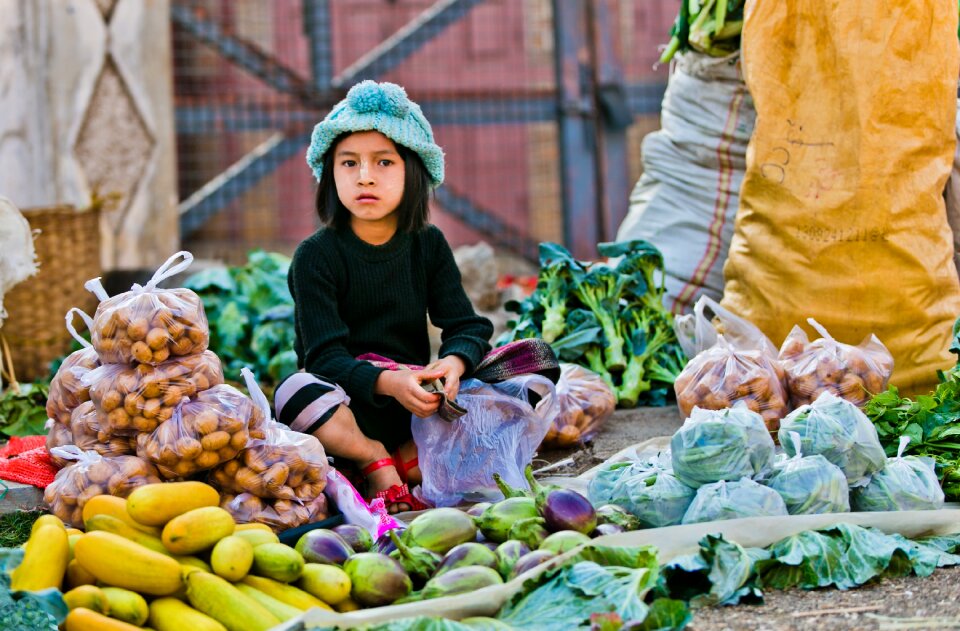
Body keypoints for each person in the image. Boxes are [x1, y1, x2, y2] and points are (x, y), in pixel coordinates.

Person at [275, 80, 494, 513]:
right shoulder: (315, 256)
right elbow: (323, 358)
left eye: (384, 162)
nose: (365, 176)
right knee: (293, 390)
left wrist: (452, 363)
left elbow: (468, 326)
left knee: (524, 370)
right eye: (349, 163)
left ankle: (411, 456)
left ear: (413, 171)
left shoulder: (427, 244)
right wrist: (386, 382)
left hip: (417, 404)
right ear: (329, 174)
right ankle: (372, 458)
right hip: (345, 408)